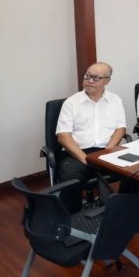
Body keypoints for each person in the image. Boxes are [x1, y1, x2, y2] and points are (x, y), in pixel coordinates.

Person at [55, 62, 127, 213]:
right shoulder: (71, 103)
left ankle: (122, 212)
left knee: (134, 171)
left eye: (96, 78)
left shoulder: (115, 100)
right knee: (71, 179)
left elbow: (120, 129)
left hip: (106, 150)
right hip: (77, 153)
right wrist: (85, 159)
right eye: (87, 76)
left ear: (107, 81)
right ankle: (72, 218)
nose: (89, 81)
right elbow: (63, 136)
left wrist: (108, 151)